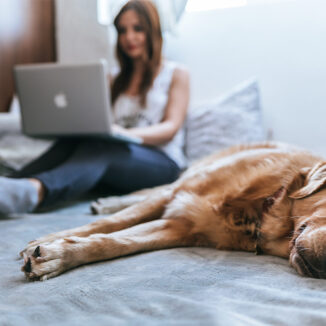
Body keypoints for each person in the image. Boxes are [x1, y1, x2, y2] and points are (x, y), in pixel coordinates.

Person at [0, 0, 190, 215]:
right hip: (118, 156)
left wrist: (125, 133)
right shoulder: (113, 78)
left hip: (162, 163)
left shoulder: (176, 73)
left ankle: (36, 191)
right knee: (81, 141)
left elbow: (171, 128)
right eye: (122, 30)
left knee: (103, 149)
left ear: (152, 30)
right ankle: (10, 184)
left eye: (137, 29)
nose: (129, 37)